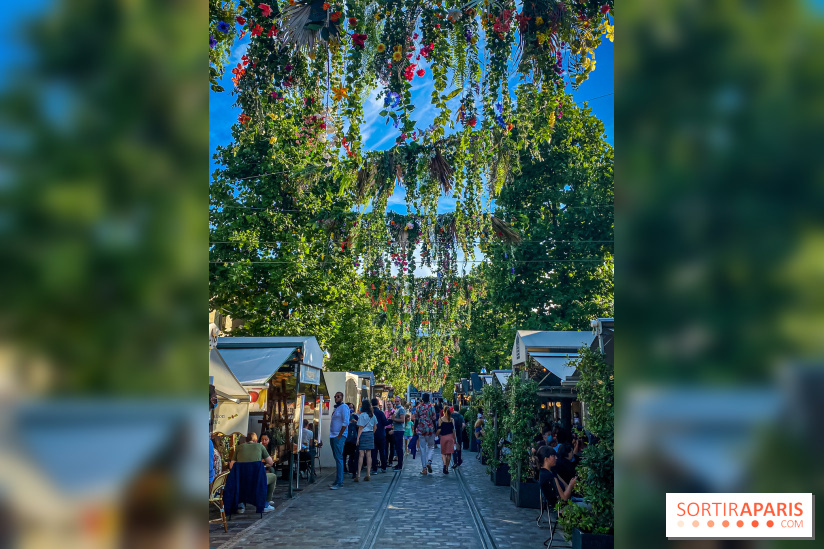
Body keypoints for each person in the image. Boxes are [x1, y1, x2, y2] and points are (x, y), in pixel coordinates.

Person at [229, 432, 276, 512]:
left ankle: (241, 505)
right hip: (256, 481)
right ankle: (265, 504)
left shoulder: (239, 447)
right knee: (273, 476)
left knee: (242, 481)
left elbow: (231, 466)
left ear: (246, 440)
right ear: (256, 440)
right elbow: (271, 462)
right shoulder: (260, 446)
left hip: (241, 480)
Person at [536, 446, 589, 510]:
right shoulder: (548, 476)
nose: (556, 458)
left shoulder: (552, 471)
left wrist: (570, 485)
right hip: (563, 507)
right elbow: (564, 498)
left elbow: (566, 486)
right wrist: (571, 485)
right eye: (553, 456)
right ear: (546, 459)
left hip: (570, 500)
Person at [328, 391, 350, 490]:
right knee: (337, 458)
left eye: (338, 396)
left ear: (342, 397)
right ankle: (337, 480)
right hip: (333, 435)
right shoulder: (336, 408)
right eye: (335, 396)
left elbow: (345, 422)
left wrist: (340, 435)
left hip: (338, 436)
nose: (336, 398)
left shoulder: (344, 407)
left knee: (339, 458)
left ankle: (340, 482)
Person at [413, 393, 437, 475]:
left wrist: (414, 429)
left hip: (421, 430)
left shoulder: (418, 407)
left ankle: (424, 469)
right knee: (431, 446)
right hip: (430, 430)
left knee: (422, 449)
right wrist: (435, 429)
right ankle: (429, 461)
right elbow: (434, 419)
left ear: (422, 399)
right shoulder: (431, 407)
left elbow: (416, 419)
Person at [355, 399, 377, 482]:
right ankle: (368, 474)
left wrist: (358, 439)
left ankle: (359, 474)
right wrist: (372, 434)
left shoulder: (362, 415)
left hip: (363, 434)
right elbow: (375, 427)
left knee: (361, 454)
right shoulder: (372, 415)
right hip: (370, 434)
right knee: (369, 455)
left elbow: (360, 428)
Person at [370, 398, 389, 474]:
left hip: (372, 434)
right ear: (378, 403)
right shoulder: (380, 413)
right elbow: (385, 423)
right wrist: (391, 420)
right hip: (381, 435)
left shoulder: (370, 413)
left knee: (373, 452)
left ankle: (374, 468)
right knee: (382, 452)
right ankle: (383, 467)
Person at [436, 406, 456, 474]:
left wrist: (436, 435)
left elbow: (439, 429)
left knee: (443, 453)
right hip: (450, 437)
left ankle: (444, 464)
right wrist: (455, 439)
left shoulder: (440, 420)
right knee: (449, 453)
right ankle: (447, 468)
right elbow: (453, 430)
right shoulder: (451, 420)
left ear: (443, 412)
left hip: (443, 437)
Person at [390, 396, 407, 470]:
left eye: (397, 401)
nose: (396, 403)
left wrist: (394, 419)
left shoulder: (401, 409)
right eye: (395, 401)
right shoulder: (396, 409)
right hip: (396, 430)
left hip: (400, 430)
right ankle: (398, 463)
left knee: (399, 448)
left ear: (400, 402)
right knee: (397, 447)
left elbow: (402, 420)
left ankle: (400, 464)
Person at [344, 407, 359, 478]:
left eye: (352, 407)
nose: (351, 409)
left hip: (353, 439)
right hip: (346, 439)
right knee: (344, 455)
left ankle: (352, 470)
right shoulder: (344, 416)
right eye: (349, 407)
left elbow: (359, 426)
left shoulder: (355, 416)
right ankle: (344, 469)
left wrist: (355, 422)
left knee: (353, 456)